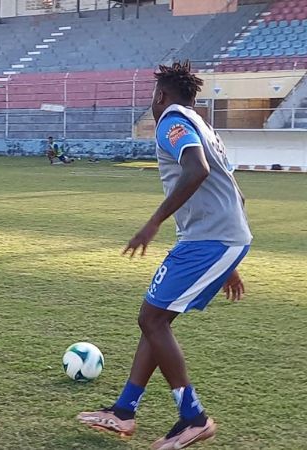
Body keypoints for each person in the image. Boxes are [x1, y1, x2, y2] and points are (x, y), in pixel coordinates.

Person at [77, 61, 252, 449]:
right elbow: (235, 189)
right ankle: (123, 412)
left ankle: (193, 418)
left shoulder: (171, 120)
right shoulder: (202, 123)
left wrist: (153, 222)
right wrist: (230, 261)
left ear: (160, 96)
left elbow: (198, 170)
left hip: (209, 240)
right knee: (156, 319)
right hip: (216, 240)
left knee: (152, 318)